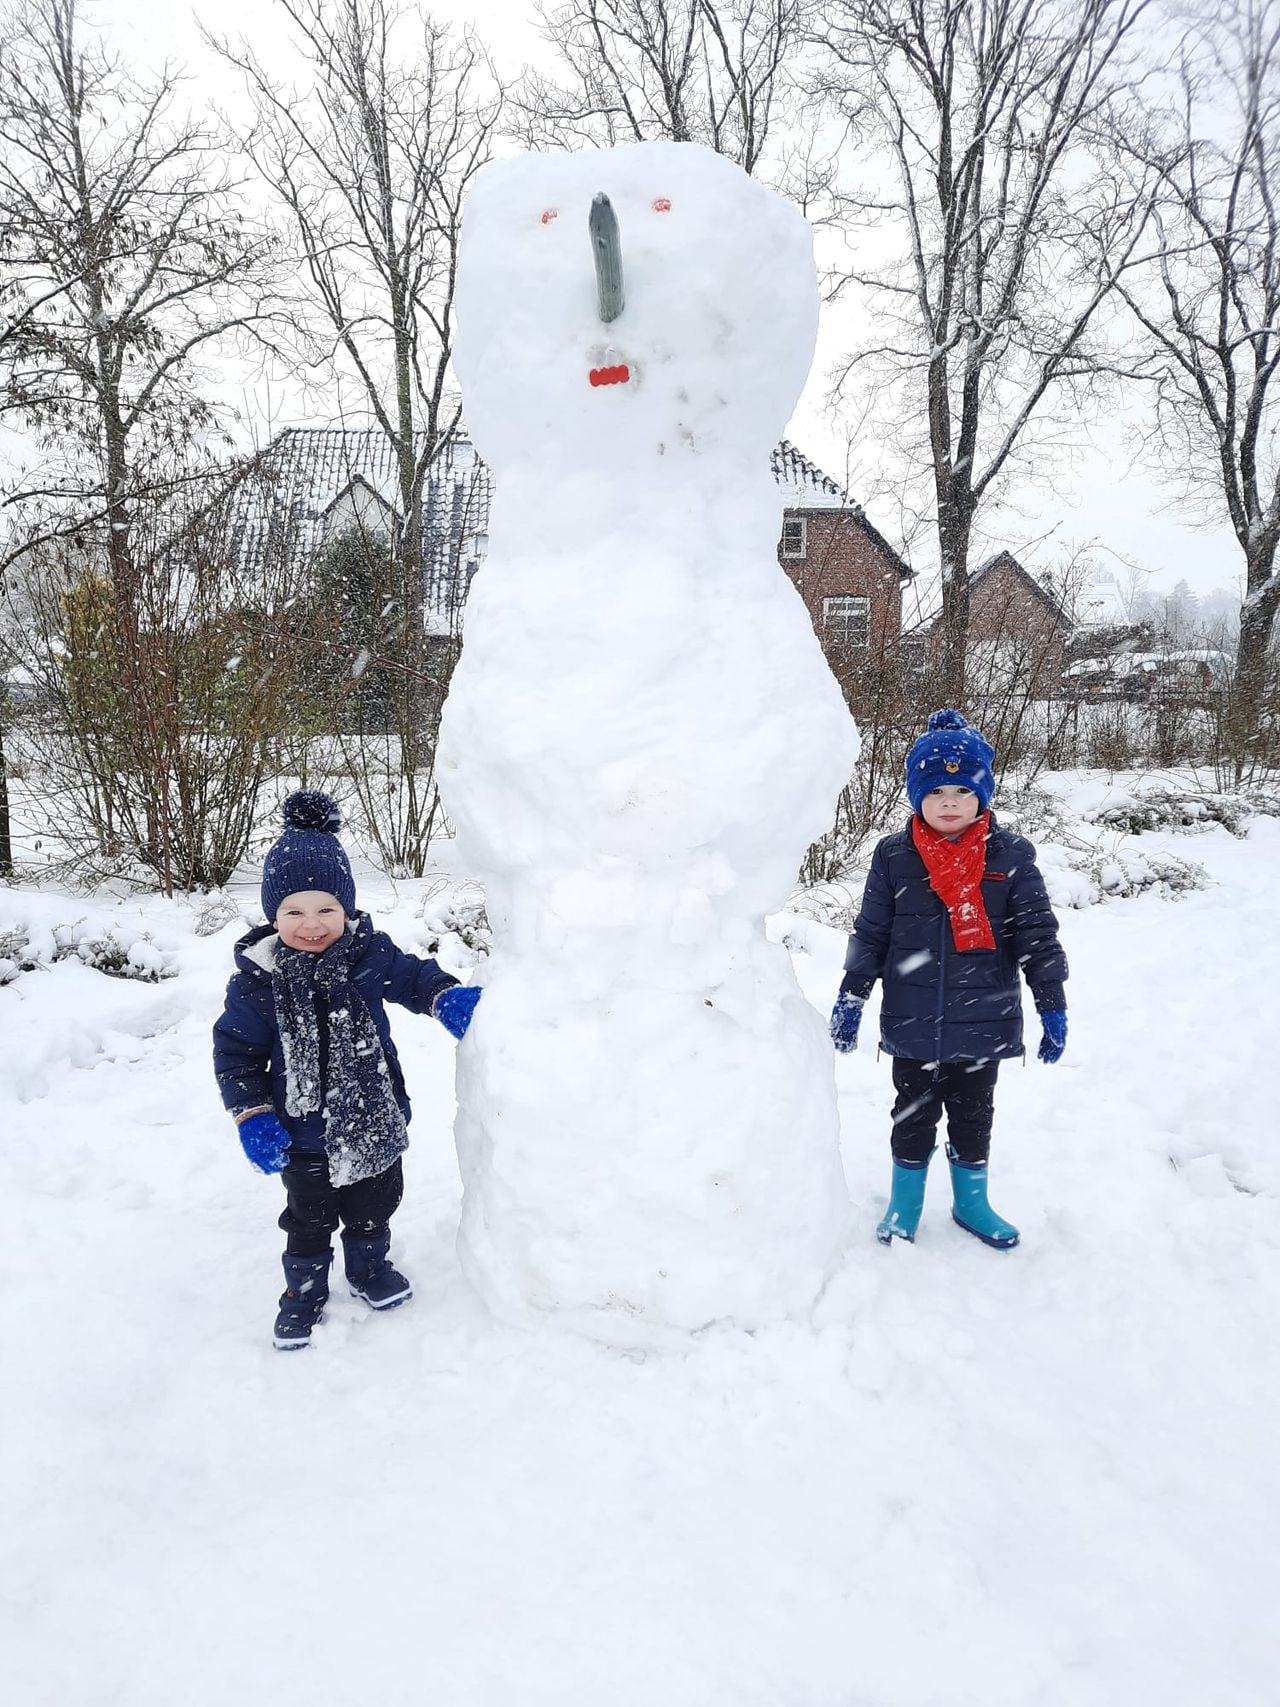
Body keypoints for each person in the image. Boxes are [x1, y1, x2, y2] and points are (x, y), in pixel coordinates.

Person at [213, 791, 482, 1349]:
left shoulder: (369, 955)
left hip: (373, 1119)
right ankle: (304, 1291)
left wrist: (444, 998)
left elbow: (414, 977)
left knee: (373, 1206)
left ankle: (367, 1267)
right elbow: (237, 1054)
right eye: (293, 912)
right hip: (301, 1133)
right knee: (309, 1219)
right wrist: (253, 1114)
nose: (311, 925)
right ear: (272, 915)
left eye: (326, 910)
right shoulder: (257, 983)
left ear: (348, 910)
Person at [828, 710, 1067, 1250]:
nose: (951, 801)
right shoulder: (895, 856)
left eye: (964, 788)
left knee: (973, 1115)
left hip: (984, 1019)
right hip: (913, 1020)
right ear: (917, 797)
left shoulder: (1010, 858)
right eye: (937, 790)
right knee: (911, 1116)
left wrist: (1051, 1001)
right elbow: (871, 933)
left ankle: (971, 1202)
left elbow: (1037, 936)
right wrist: (852, 996)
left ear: (983, 792)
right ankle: (905, 1204)